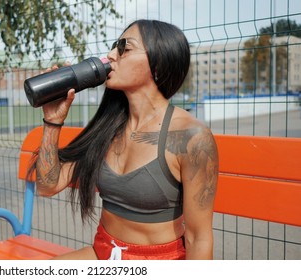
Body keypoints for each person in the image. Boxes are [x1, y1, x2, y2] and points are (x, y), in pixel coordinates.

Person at [31, 19, 218, 260]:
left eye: (124, 48)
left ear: (159, 64)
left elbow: (198, 238)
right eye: (113, 46)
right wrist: (52, 121)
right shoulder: (107, 128)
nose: (110, 55)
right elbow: (48, 186)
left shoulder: (191, 138)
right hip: (104, 252)